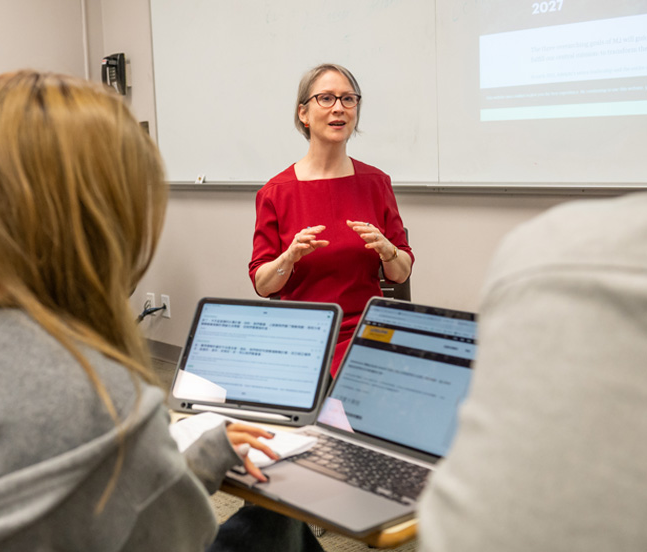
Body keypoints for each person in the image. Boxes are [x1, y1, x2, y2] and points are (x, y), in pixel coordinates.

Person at [0, 70, 323, 552]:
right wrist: (194, 457)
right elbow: (175, 537)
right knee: (279, 524)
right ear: (111, 221)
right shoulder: (112, 403)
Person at [418, 192, 647, 551]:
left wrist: (388, 251)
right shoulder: (552, 251)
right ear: (304, 129)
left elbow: (399, 270)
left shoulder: (543, 247)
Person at [249, 64, 413, 376]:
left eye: (348, 99)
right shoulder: (275, 192)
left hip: (367, 333)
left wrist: (388, 250)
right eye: (326, 98)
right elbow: (262, 283)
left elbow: (401, 273)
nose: (339, 108)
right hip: (302, 339)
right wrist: (290, 256)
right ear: (303, 114)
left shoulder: (376, 183)